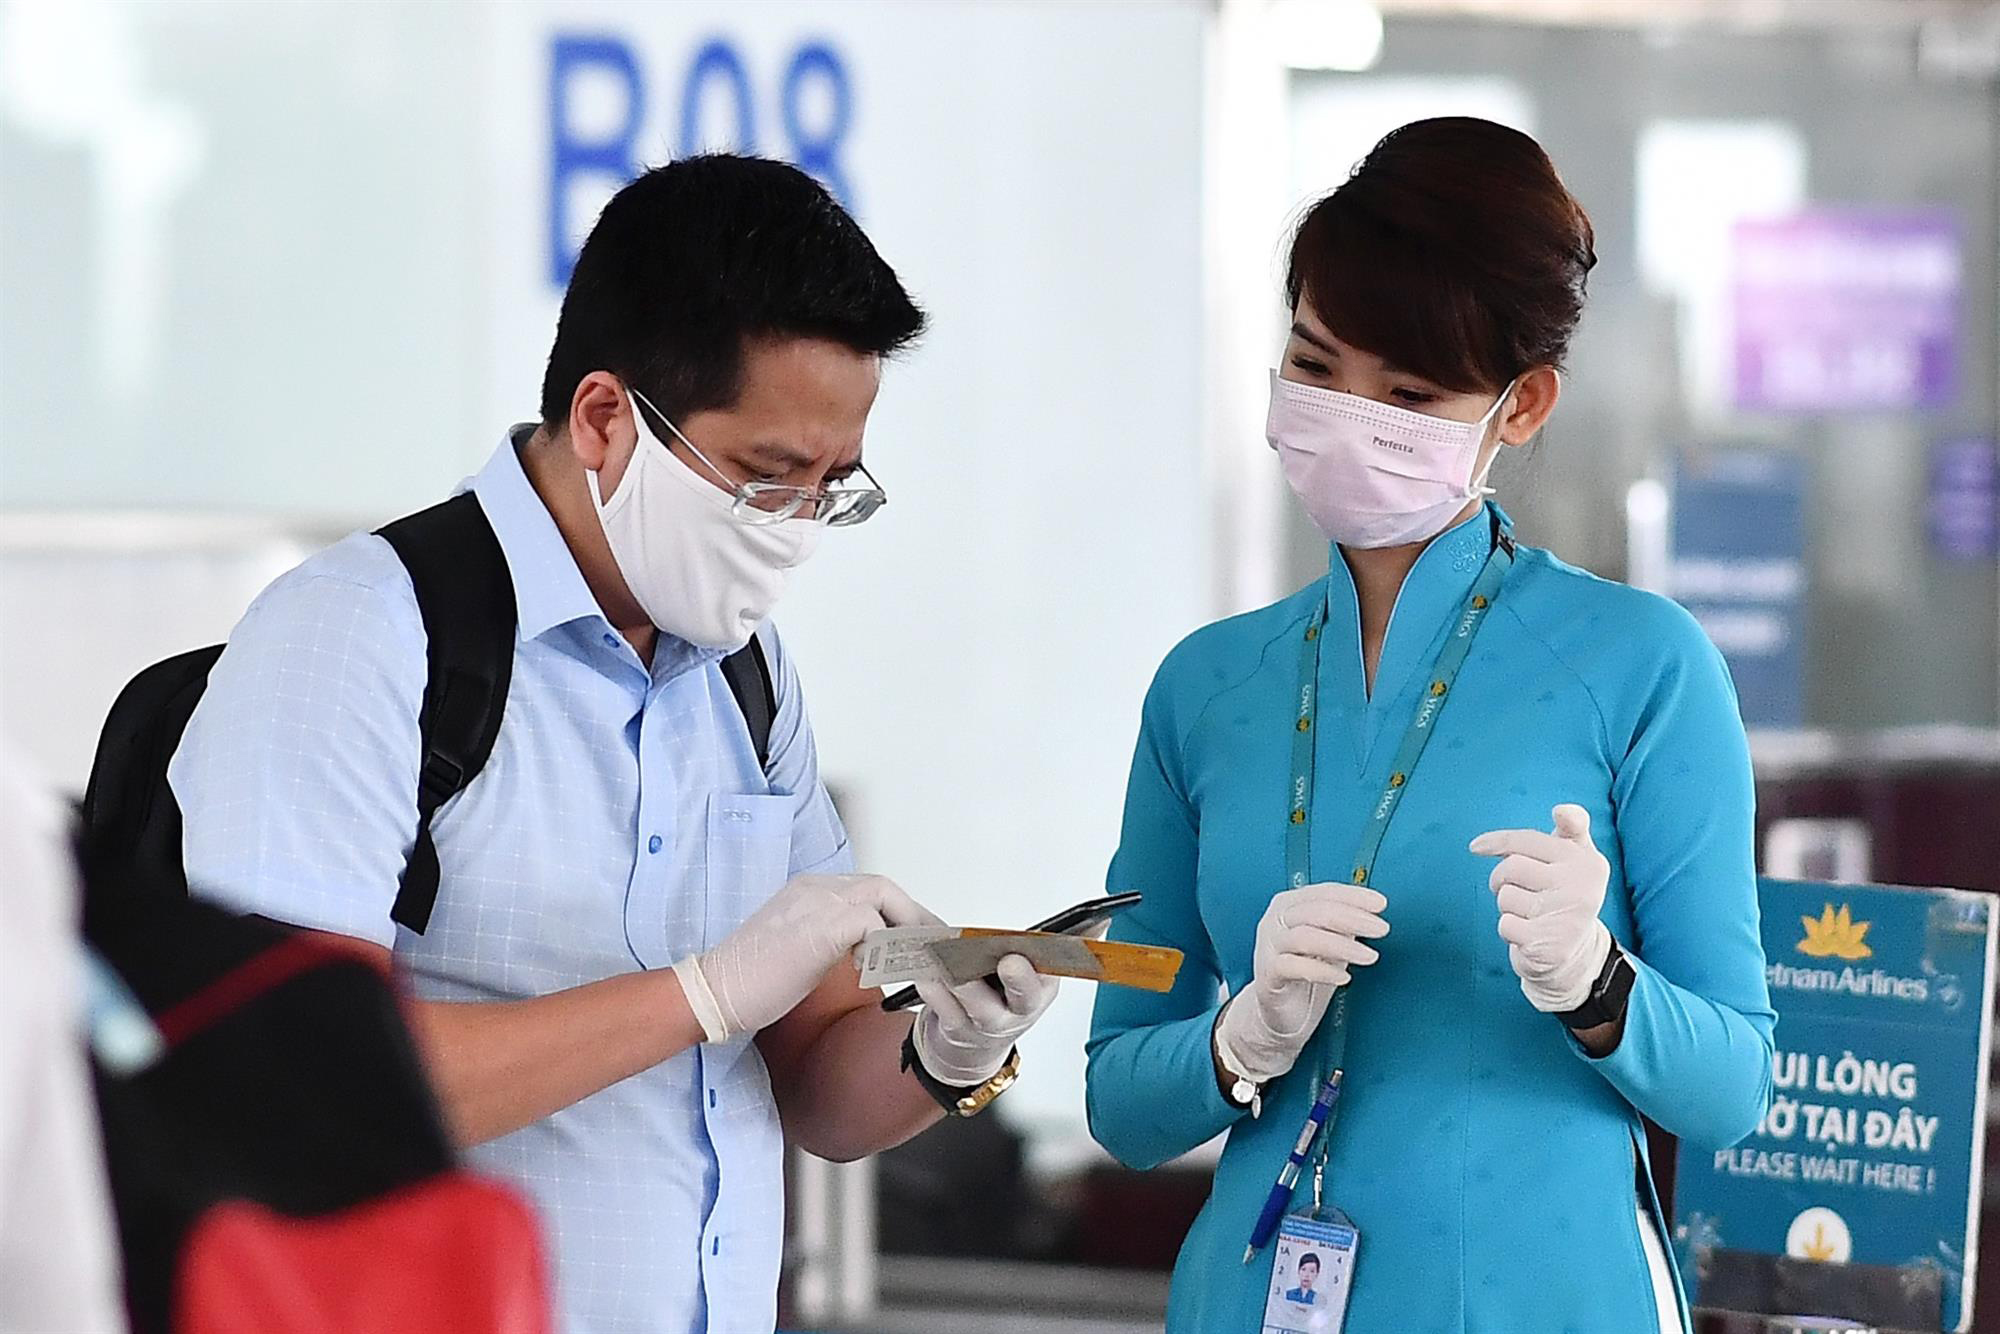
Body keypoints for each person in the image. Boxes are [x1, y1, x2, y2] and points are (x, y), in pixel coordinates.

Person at [169, 154, 1058, 1334]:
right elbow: (299, 1080)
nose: (796, 529)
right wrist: (701, 992)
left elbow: (812, 1083)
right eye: (766, 477)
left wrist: (945, 1046)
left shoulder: (744, 673)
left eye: (831, 486)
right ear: (603, 420)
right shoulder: (362, 634)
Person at [1085, 118, 1773, 1334]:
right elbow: (1119, 1090)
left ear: (1522, 404)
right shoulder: (1205, 687)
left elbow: (1730, 1086)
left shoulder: (1641, 664)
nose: (1347, 414)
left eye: (1406, 392)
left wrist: (1597, 981)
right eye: (1313, 364)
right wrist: (1236, 1039)